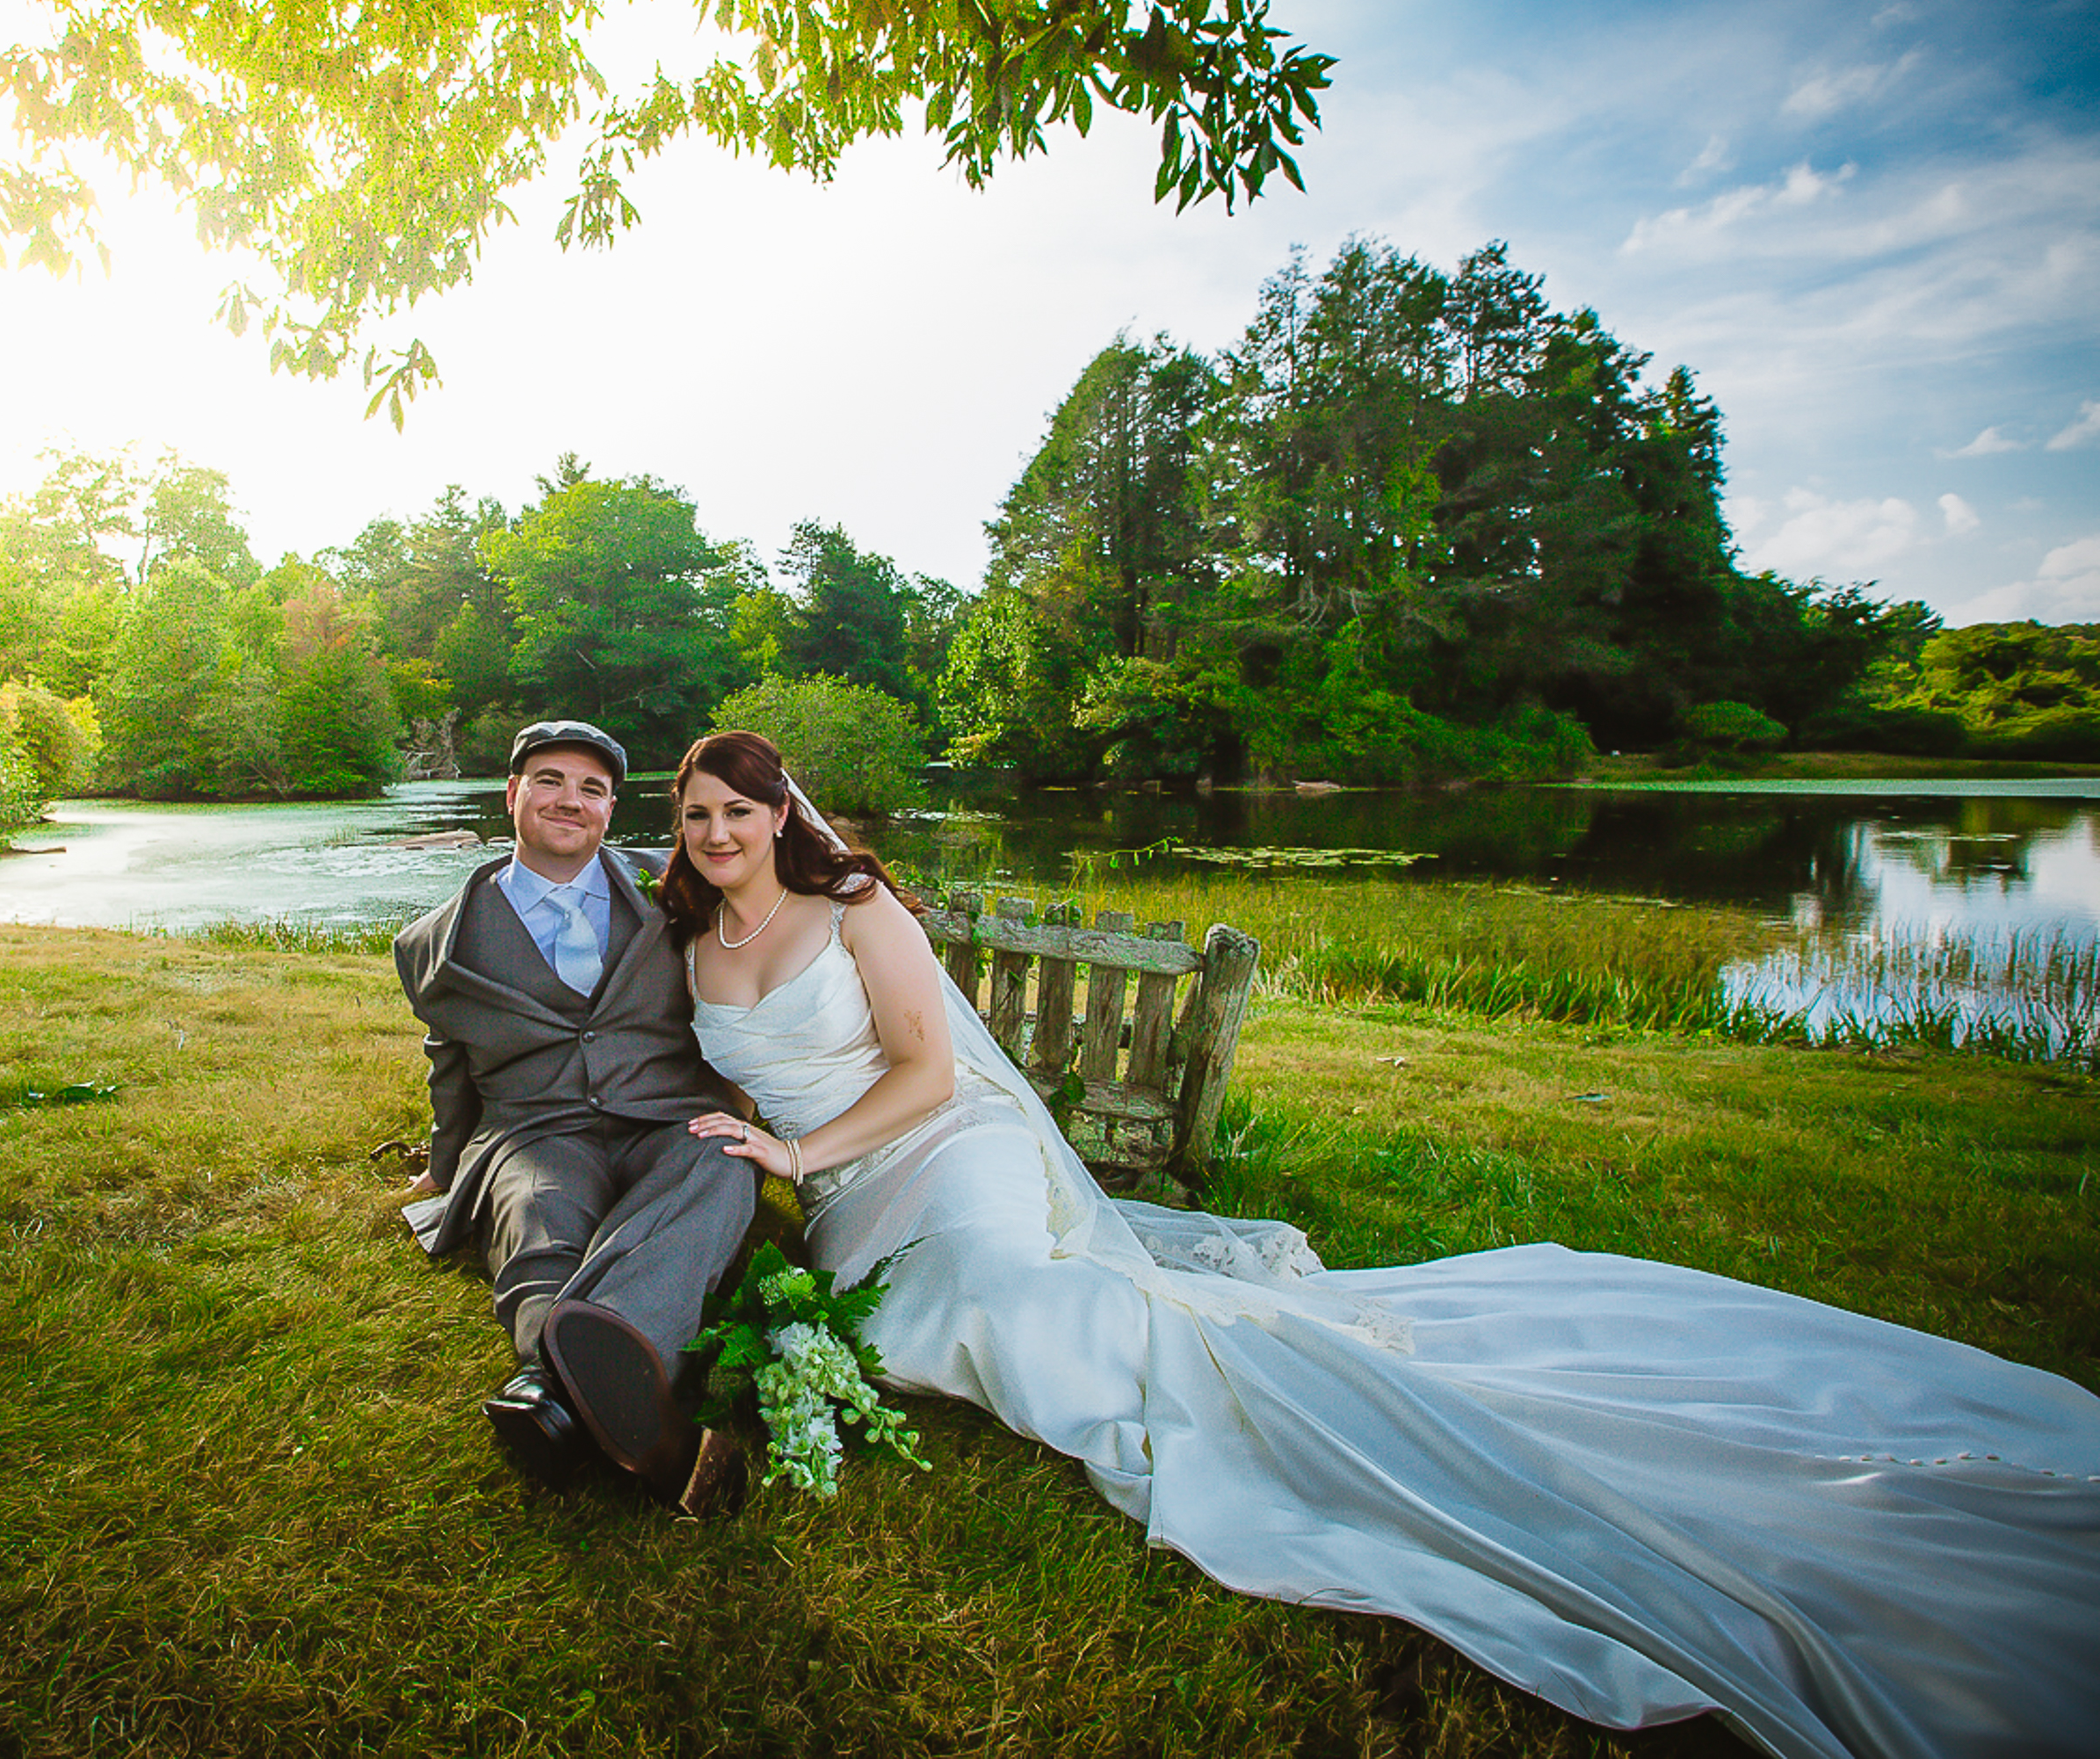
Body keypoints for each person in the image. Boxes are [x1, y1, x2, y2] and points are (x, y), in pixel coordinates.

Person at [663, 728, 2100, 1759]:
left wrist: (797, 1149)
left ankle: (1254, 1388)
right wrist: (749, 1155)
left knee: (1015, 1290)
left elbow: (922, 1073)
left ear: (786, 814)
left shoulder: (854, 911)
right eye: (695, 812)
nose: (718, 830)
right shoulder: (692, 945)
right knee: (917, 1326)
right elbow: (728, 1074)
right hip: (851, 1202)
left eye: (740, 806)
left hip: (938, 1150)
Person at [394, 720, 754, 1514]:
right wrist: (445, 1165)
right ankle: (610, 1388)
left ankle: (551, 1389)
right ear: (513, 793)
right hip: (537, 1127)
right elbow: (447, 1060)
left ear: (611, 808)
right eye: (550, 780)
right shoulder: (432, 943)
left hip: (667, 1116)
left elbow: (776, 894)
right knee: (539, 1210)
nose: (571, 800)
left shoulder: (675, 886)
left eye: (592, 788)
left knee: (720, 1167)